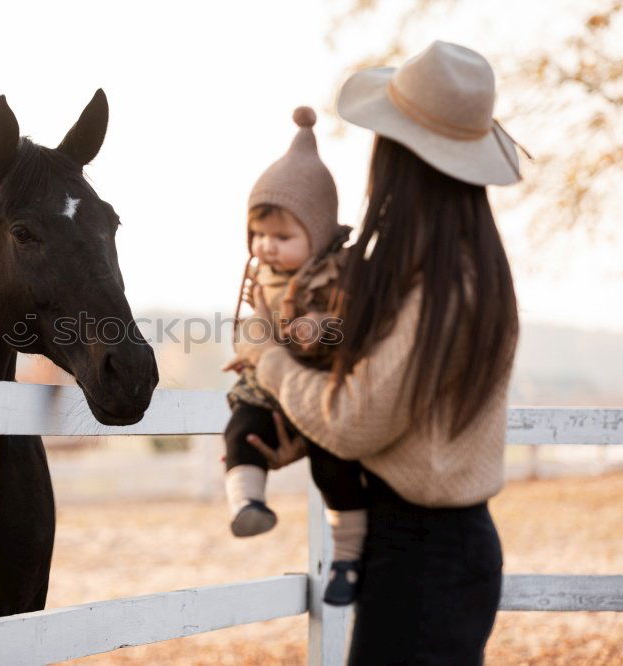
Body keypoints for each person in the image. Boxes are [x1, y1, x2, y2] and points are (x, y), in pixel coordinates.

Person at [233, 41, 523, 664]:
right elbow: (392, 412)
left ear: (401, 160)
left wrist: (270, 361)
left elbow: (354, 418)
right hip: (433, 547)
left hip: (424, 555)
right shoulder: (459, 269)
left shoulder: (442, 288)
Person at [221, 106, 369, 605]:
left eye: (282, 237)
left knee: (333, 467)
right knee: (241, 428)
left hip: (318, 386)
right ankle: (247, 502)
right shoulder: (259, 278)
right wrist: (248, 351)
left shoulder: (340, 274)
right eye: (258, 235)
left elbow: (357, 325)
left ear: (319, 233)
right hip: (269, 385)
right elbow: (251, 328)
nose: (266, 247)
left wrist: (323, 326)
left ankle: (348, 553)